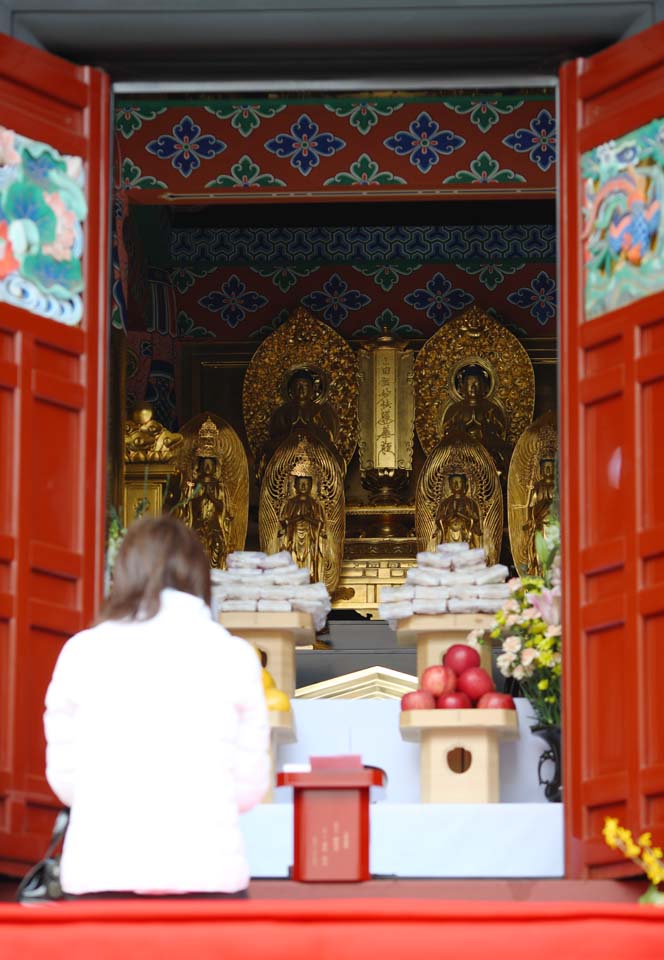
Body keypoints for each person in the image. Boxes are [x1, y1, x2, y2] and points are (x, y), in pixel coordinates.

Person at [43, 514, 269, 898]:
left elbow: (66, 782)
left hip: (100, 873)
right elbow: (248, 789)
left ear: (124, 573)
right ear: (199, 575)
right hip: (208, 873)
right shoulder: (234, 657)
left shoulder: (81, 653)